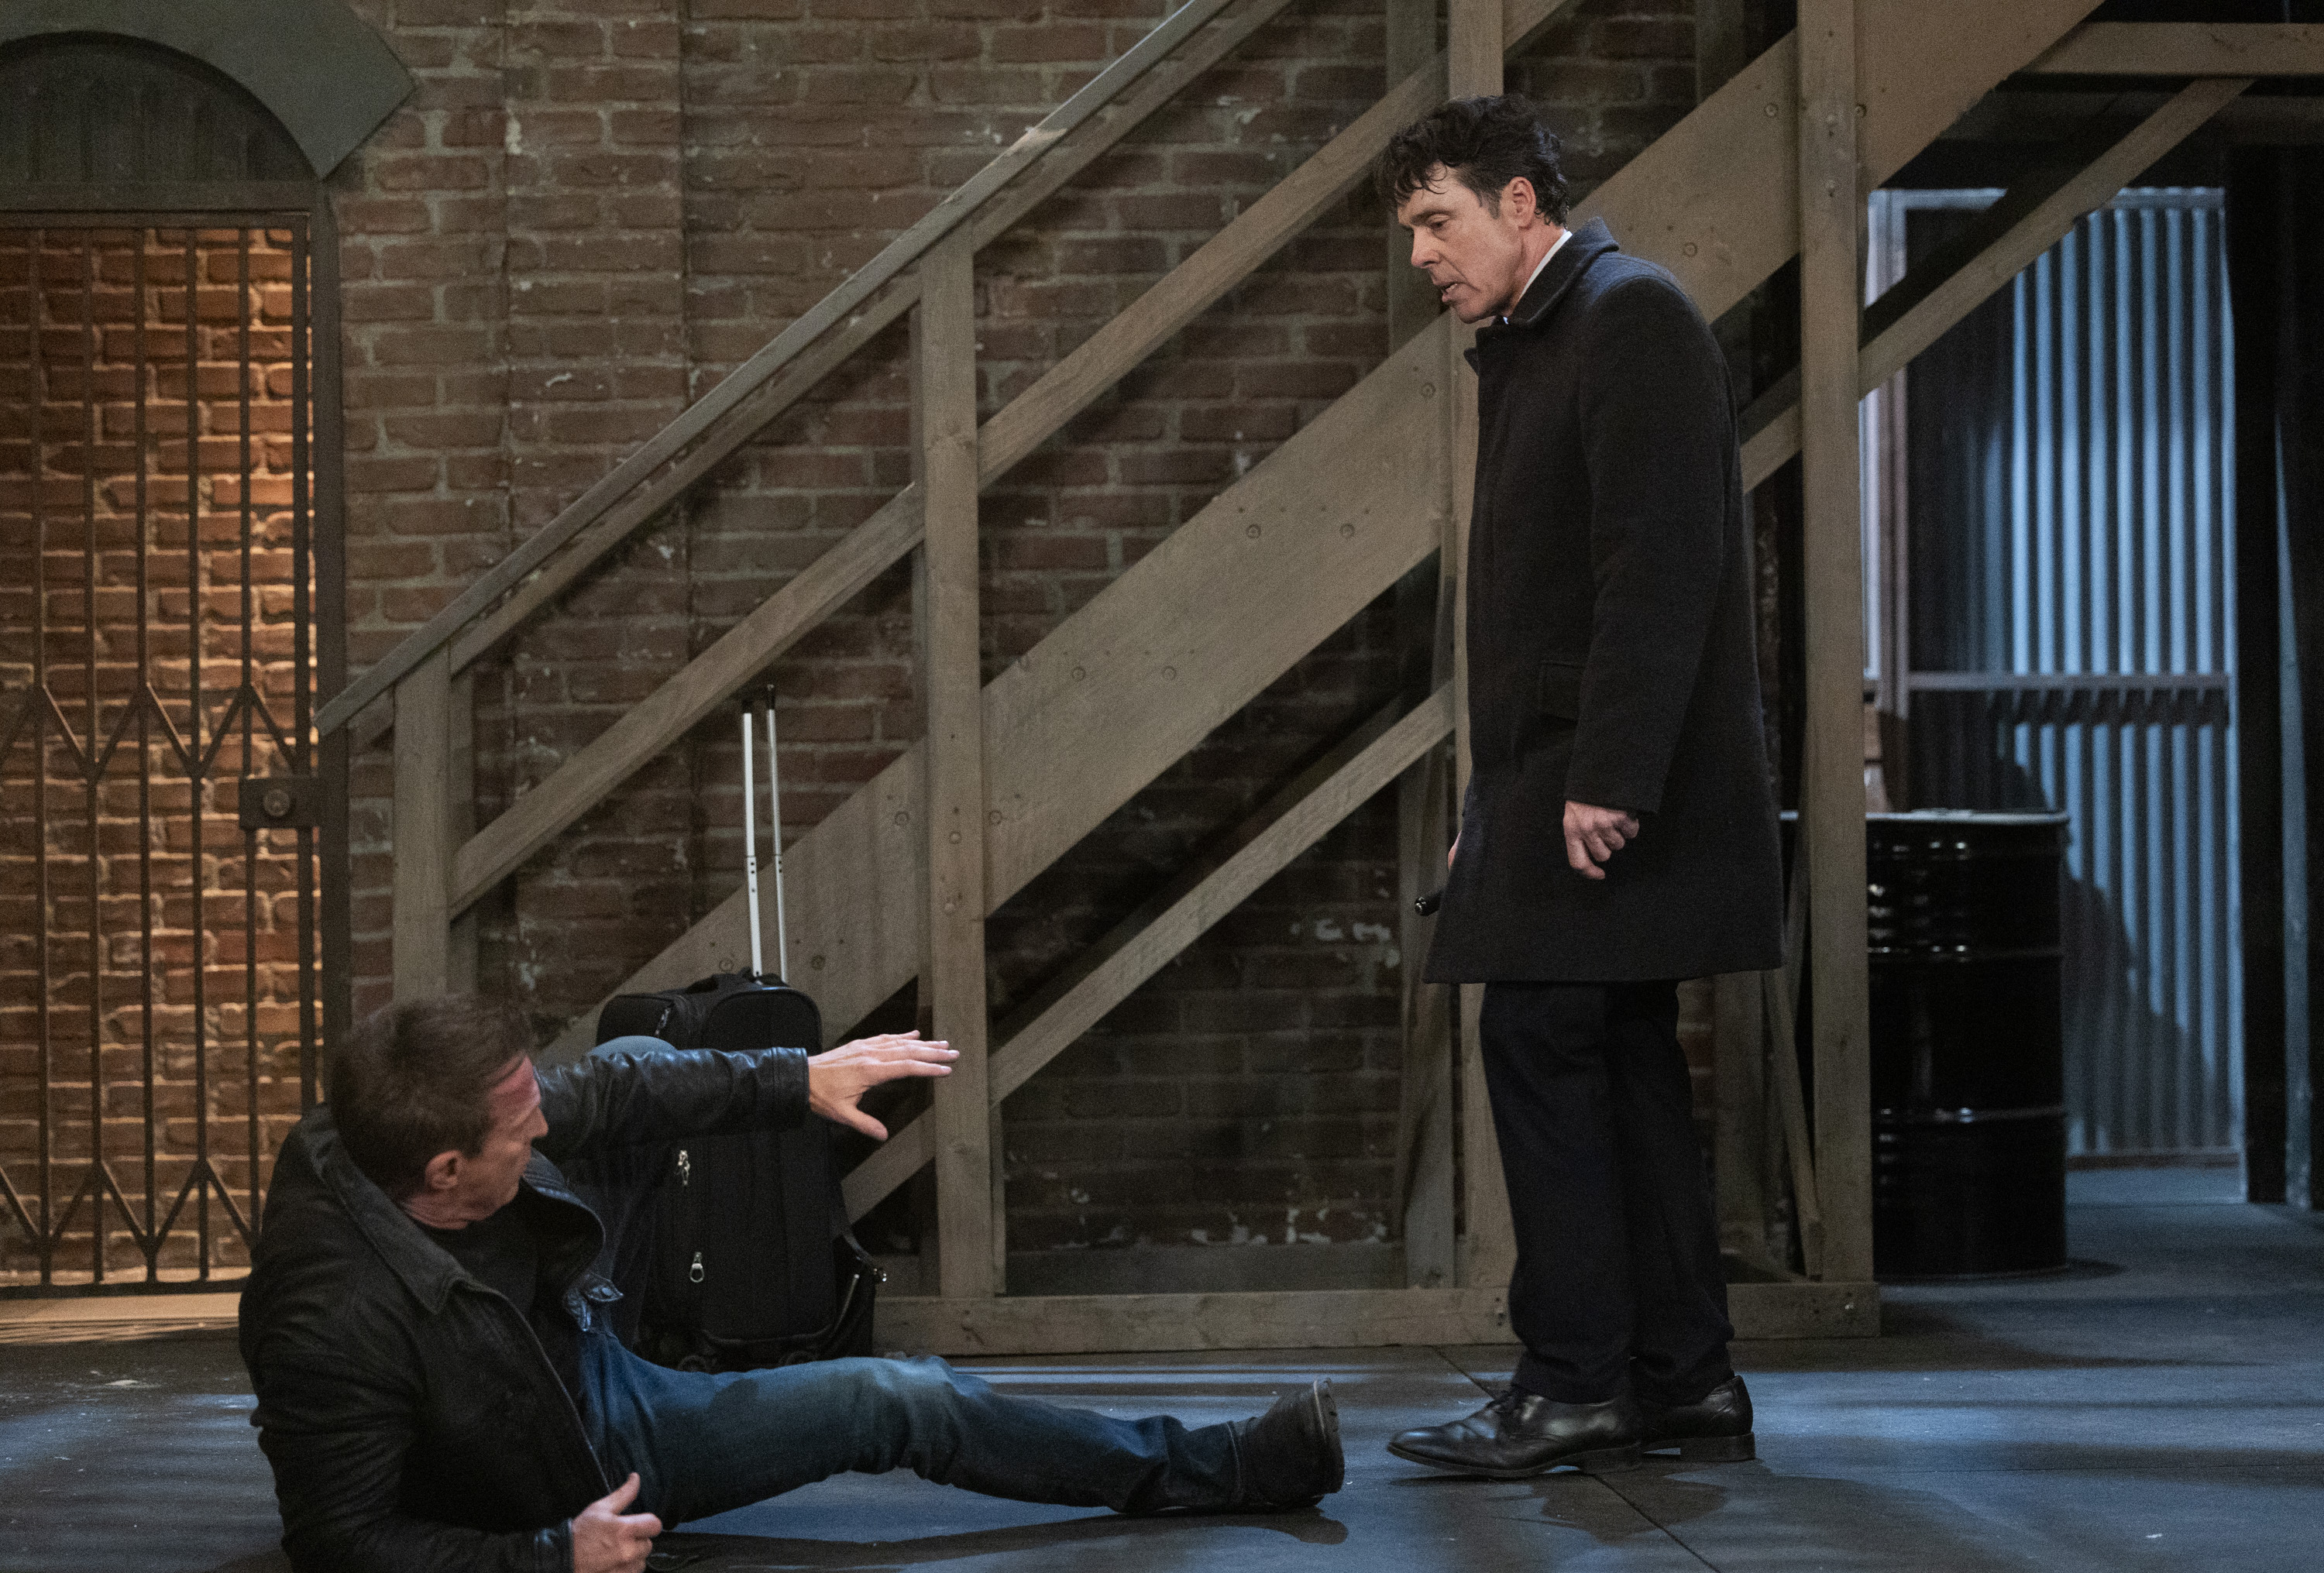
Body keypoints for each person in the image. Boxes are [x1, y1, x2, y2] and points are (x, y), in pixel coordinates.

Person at [239, 994, 1342, 1572]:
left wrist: (797, 1077)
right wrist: (547, 1557)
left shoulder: (384, 1121)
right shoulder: (330, 1320)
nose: (541, 1135)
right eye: (520, 1138)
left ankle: (660, 1339)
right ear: (444, 1171)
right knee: (897, 1396)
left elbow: (600, 1105)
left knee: (631, 1068)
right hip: (571, 1451)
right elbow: (341, 1542)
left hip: (562, 1337)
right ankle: (1220, 1468)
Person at [1372, 95, 1784, 1478]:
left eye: (1439, 220)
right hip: (1556, 779)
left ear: (1519, 203)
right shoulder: (1545, 336)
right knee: (1615, 1057)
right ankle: (1683, 1381)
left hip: (1600, 781)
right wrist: (1495, 816)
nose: (1422, 254)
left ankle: (1576, 1386)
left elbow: (1658, 566)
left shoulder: (1627, 316)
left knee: (1544, 1044)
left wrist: (1608, 776)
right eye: (1412, 228)